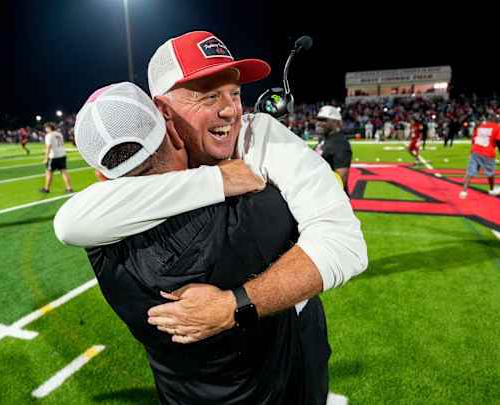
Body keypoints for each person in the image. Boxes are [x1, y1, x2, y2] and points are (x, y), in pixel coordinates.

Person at [55, 31, 367, 347]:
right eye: (209, 96)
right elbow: (71, 222)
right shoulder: (150, 163)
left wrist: (234, 305)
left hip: (295, 336)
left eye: (234, 93)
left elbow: (344, 243)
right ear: (163, 109)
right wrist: (218, 180)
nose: (232, 110)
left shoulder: (260, 135)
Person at [77, 82, 330, 404]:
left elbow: (75, 218)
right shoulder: (255, 212)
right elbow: (326, 231)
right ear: (172, 133)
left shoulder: (97, 243)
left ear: (102, 178)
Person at [459, 113, 500, 199]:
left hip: (475, 151)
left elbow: (473, 140)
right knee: (490, 173)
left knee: (469, 172)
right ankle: (492, 190)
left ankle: (463, 191)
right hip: (487, 152)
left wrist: (474, 149)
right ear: (495, 119)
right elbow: (499, 141)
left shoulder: (480, 127)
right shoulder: (499, 128)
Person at [314, 105, 352, 193]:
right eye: (318, 119)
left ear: (335, 122)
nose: (319, 123)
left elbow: (340, 181)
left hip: (329, 198)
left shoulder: (340, 144)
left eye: (323, 120)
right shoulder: (325, 138)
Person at [39, 122, 72, 194]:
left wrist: (46, 158)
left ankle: (46, 189)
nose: (45, 129)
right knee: (64, 172)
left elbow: (48, 148)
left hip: (54, 156)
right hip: (62, 154)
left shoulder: (49, 135)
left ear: (49, 128)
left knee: (48, 172)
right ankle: (69, 188)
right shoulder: (59, 134)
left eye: (46, 128)